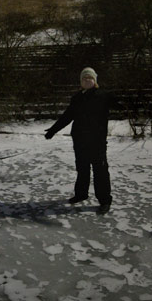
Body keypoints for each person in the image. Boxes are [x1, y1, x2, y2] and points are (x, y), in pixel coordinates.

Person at [46, 67, 113, 215]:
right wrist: (52, 130)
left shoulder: (103, 96)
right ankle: (81, 194)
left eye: (90, 78)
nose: (87, 80)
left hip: (97, 141)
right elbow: (67, 116)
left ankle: (105, 201)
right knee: (82, 168)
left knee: (100, 171)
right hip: (80, 140)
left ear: (95, 81)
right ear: (81, 82)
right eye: (84, 78)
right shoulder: (76, 98)